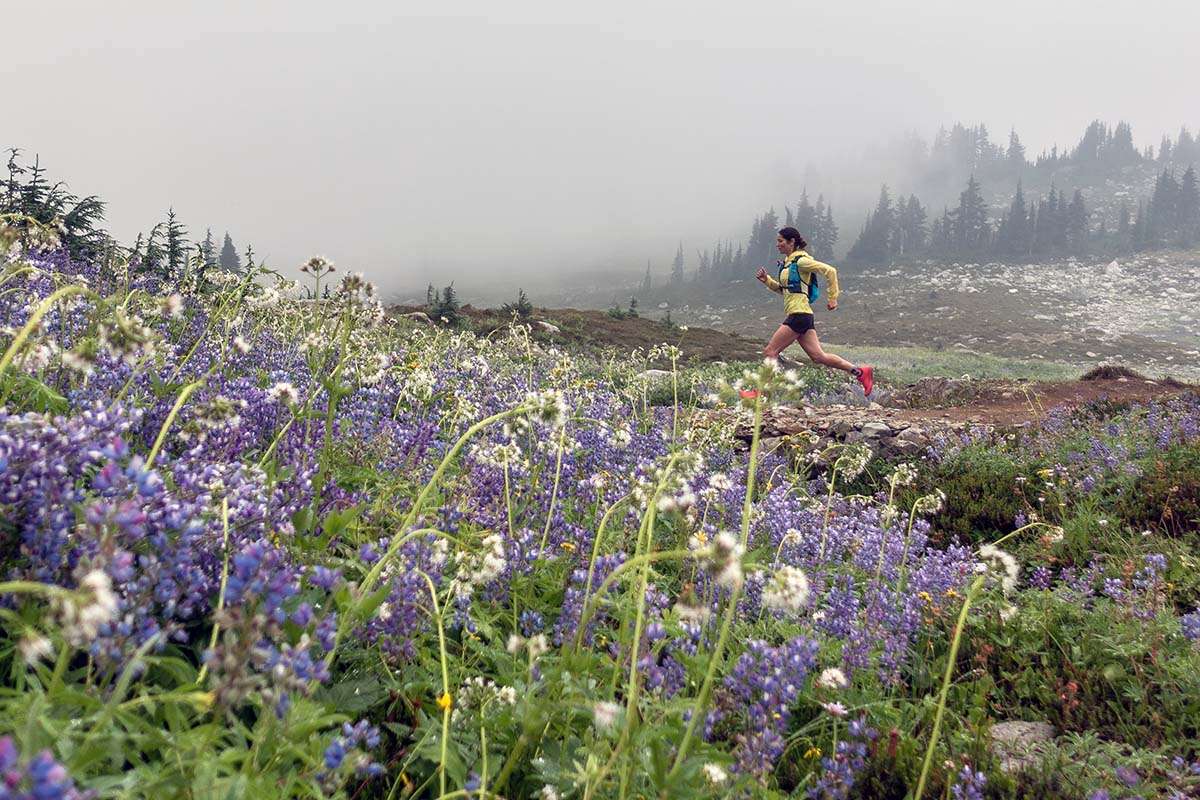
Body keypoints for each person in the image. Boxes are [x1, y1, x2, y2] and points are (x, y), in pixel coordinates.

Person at [755, 226, 873, 396]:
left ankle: (763, 395)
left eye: (780, 241)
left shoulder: (801, 261)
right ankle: (861, 372)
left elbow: (830, 271)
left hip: (799, 315)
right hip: (803, 316)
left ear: (791, 241)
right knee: (819, 357)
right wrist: (767, 280)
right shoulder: (788, 264)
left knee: (771, 351)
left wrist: (833, 297)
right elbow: (785, 290)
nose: (777, 245)